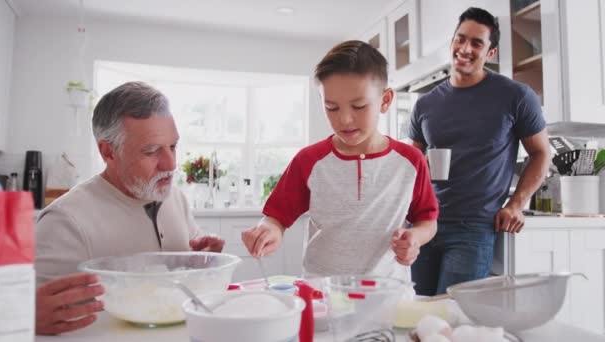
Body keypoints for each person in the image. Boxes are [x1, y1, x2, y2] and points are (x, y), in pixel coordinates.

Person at [35, 82, 224, 335]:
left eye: (173, 146)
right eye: (152, 151)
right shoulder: (65, 221)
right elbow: (29, 317)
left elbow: (183, 285)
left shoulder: (175, 197)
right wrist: (25, 315)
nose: (171, 164)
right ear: (108, 151)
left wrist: (203, 261)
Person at [241, 40, 439, 280]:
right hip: (323, 292)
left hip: (388, 292)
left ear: (385, 100)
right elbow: (276, 217)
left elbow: (427, 220)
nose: (344, 119)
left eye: (358, 106)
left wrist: (415, 238)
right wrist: (269, 231)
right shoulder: (309, 160)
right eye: (331, 107)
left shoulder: (410, 160)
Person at [409, 7, 551, 295]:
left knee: (455, 314)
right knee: (417, 311)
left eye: (477, 43)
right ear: (451, 42)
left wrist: (516, 204)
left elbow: (542, 153)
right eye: (460, 39)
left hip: (473, 228)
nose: (465, 48)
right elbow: (411, 162)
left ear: (491, 53)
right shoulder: (425, 104)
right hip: (424, 224)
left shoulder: (515, 96)